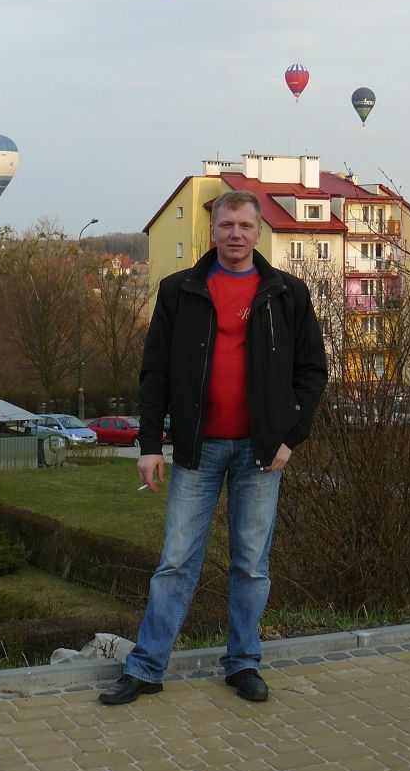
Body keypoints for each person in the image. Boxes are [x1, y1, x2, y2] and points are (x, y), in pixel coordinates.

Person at [99, 189, 328, 706]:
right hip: (197, 451)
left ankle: (243, 663)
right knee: (176, 562)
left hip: (261, 453)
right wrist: (150, 443)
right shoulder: (179, 290)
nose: (236, 235)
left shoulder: (288, 293)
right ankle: (147, 667)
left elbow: (312, 373)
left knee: (251, 564)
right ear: (213, 229)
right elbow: (154, 373)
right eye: (227, 226)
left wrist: (291, 437)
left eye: (246, 226)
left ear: (259, 231)